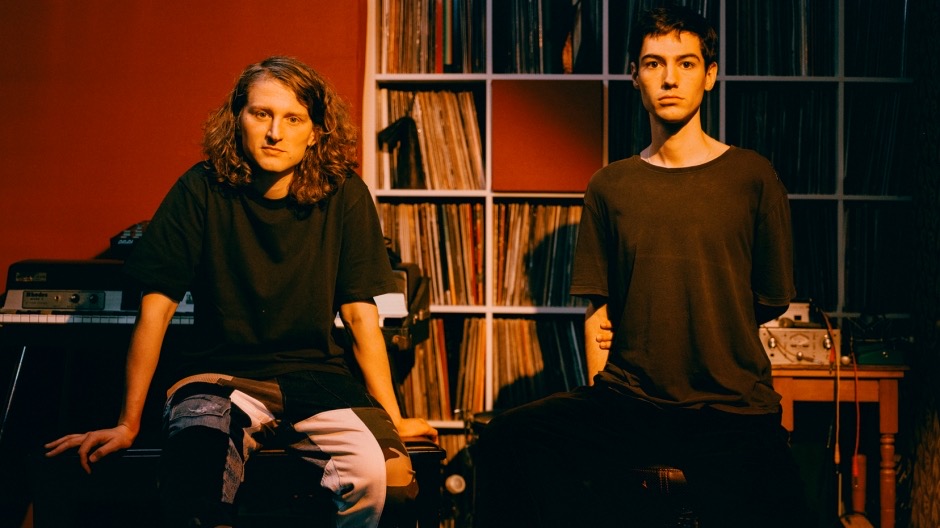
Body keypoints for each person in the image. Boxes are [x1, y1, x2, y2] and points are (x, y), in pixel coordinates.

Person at [45, 56, 437, 528]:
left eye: (293, 118)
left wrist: (391, 419)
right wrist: (128, 423)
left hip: (318, 379)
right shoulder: (201, 188)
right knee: (194, 483)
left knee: (390, 483)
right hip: (217, 379)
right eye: (261, 114)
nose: (275, 133)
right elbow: (157, 312)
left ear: (315, 131)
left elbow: (360, 318)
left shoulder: (345, 194)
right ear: (238, 119)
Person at [474, 6, 811, 528]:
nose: (670, 78)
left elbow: (770, 297)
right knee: (505, 440)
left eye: (686, 63)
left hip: (732, 409)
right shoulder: (611, 185)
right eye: (654, 63)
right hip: (631, 404)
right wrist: (601, 393)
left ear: (711, 75)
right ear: (634, 75)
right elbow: (598, 307)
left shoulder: (752, 176)